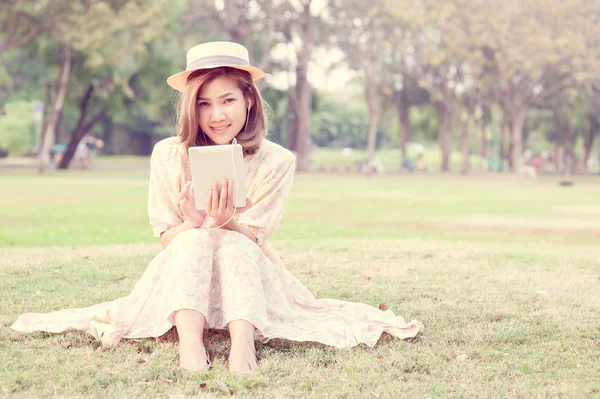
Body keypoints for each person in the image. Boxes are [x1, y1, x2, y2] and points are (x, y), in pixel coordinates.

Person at [11, 42, 421, 374]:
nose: (217, 115)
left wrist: (228, 223)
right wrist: (192, 222)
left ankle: (243, 346)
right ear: (192, 106)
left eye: (227, 100)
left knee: (235, 242)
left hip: (247, 271)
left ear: (248, 100)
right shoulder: (169, 155)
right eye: (204, 104)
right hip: (184, 273)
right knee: (193, 241)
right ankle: (191, 344)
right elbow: (166, 238)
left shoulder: (277, 161)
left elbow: (257, 238)